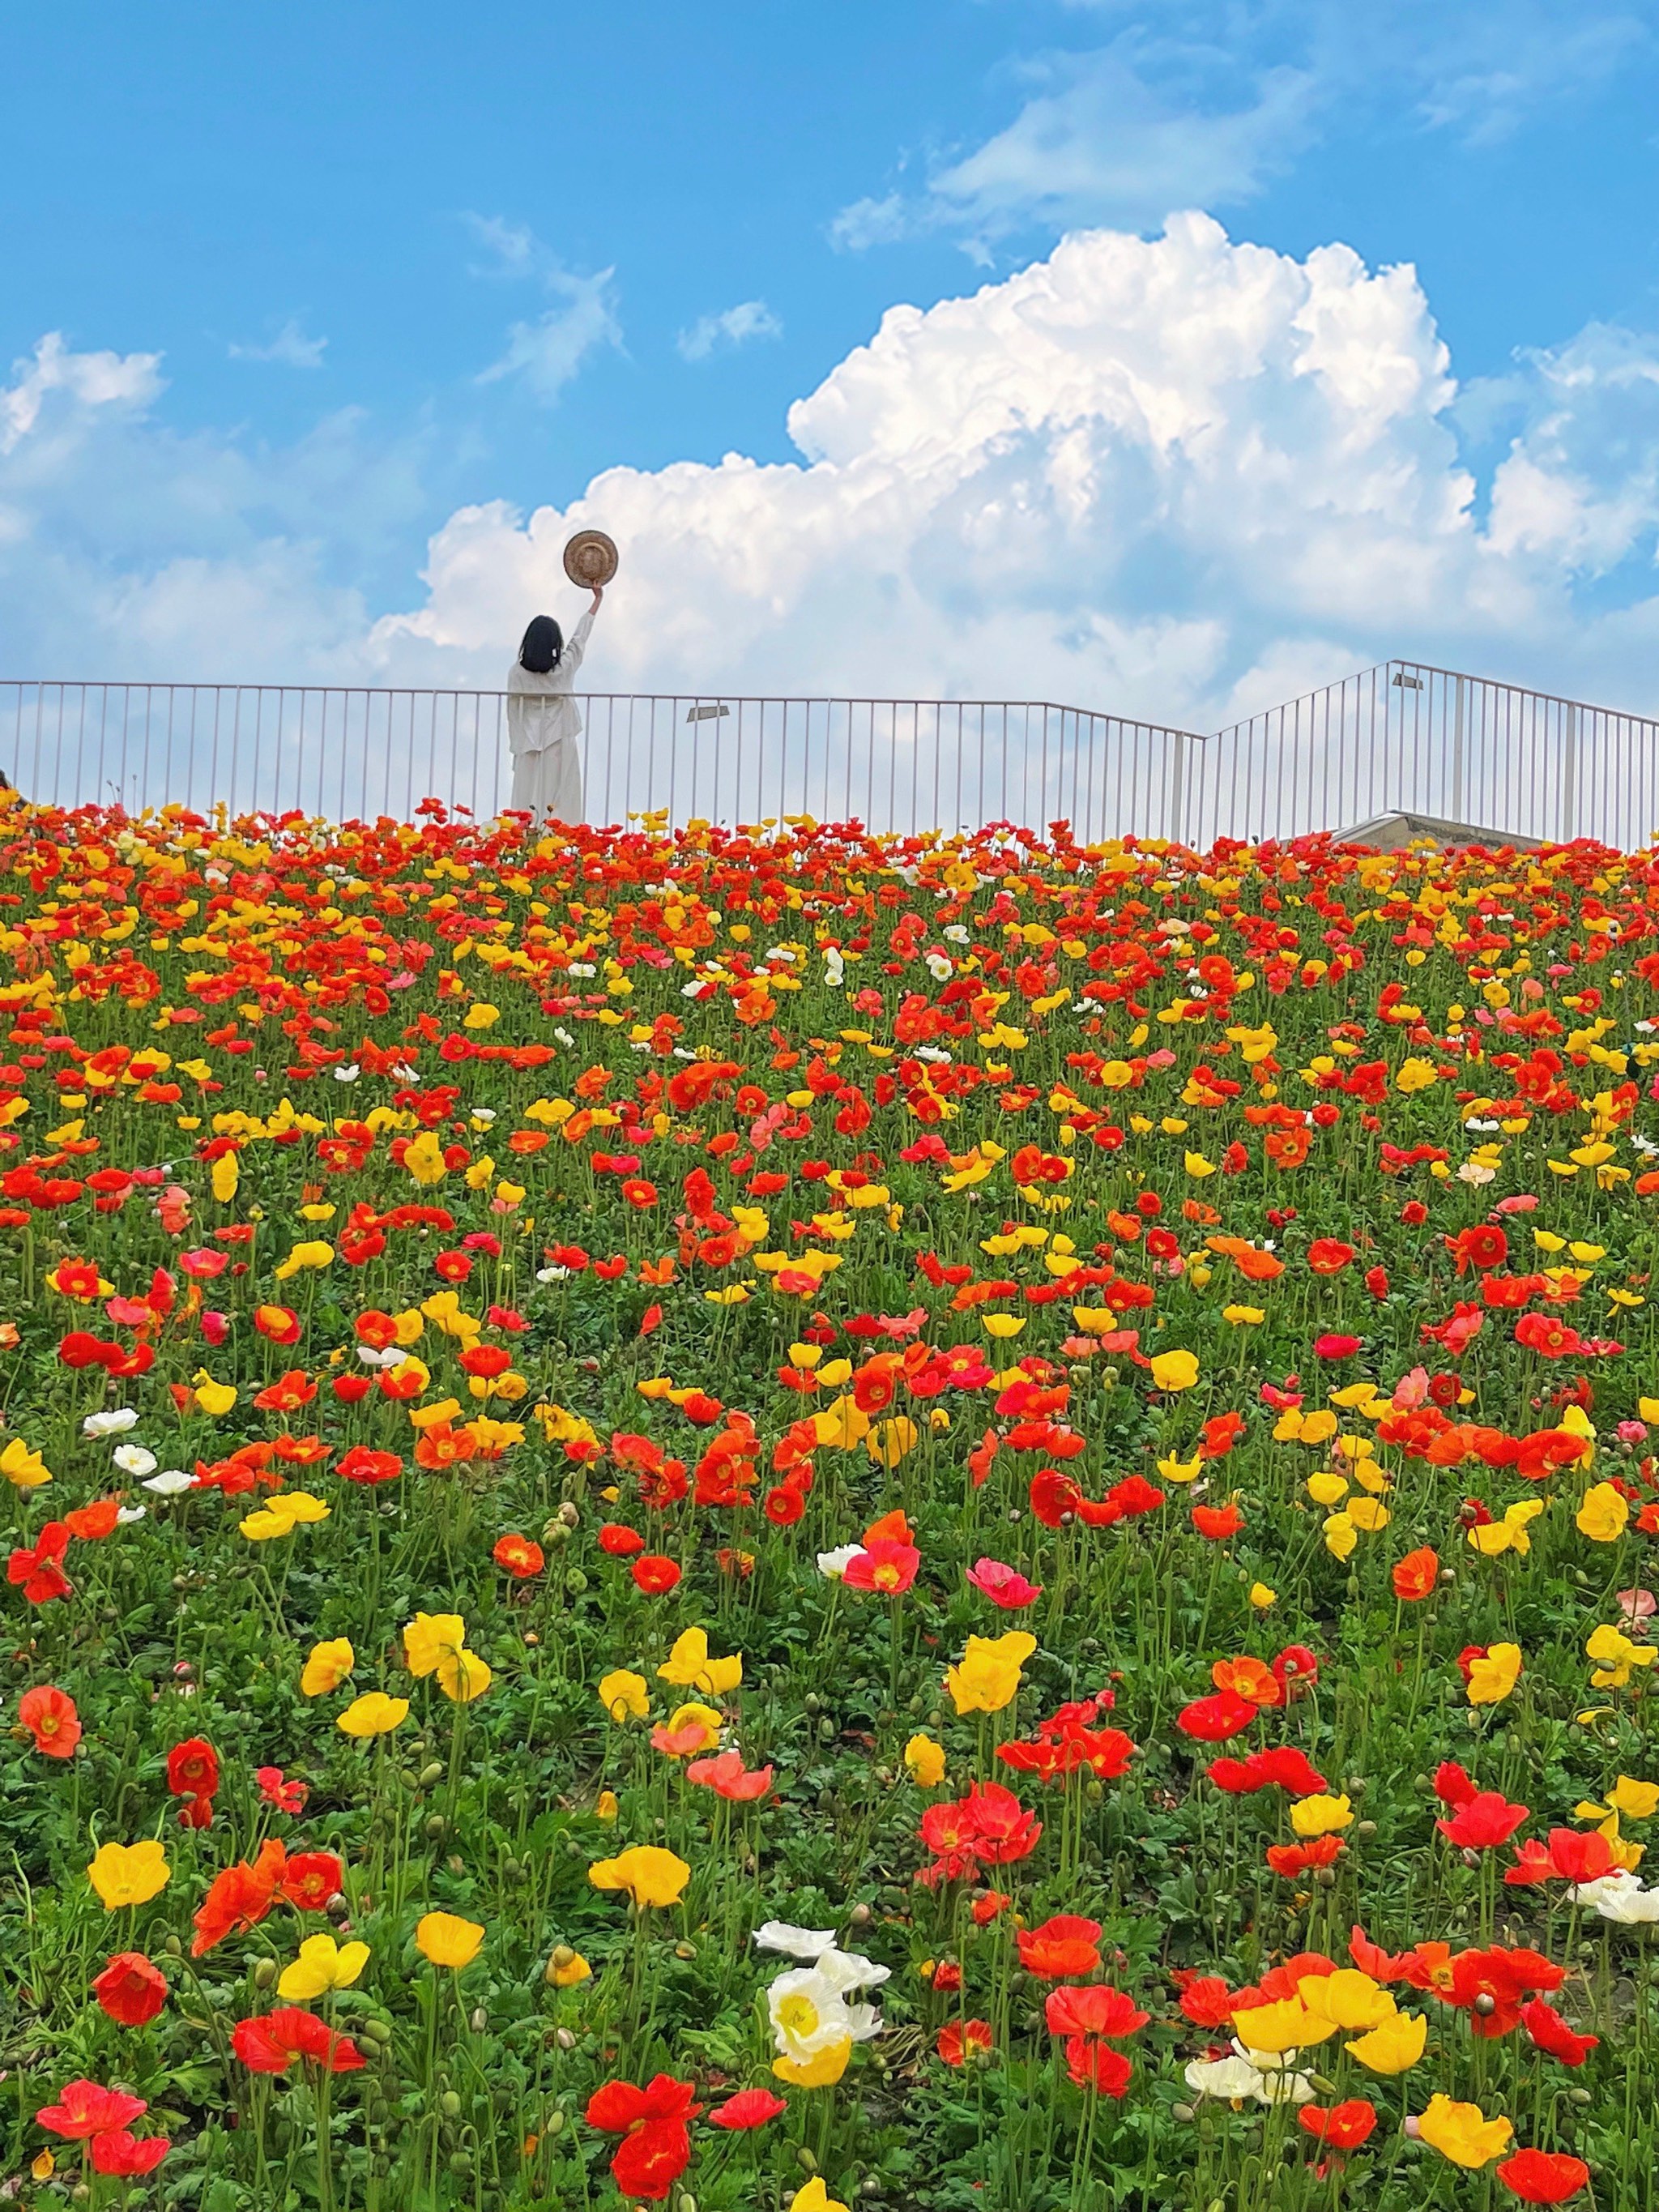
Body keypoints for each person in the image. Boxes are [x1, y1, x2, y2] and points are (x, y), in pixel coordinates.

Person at [506, 583, 603, 824]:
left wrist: (516, 747)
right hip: (560, 739)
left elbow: (513, 711)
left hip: (528, 742)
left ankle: (526, 839)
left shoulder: (517, 673)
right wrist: (597, 600)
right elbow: (580, 639)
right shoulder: (564, 669)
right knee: (561, 795)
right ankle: (562, 837)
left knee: (526, 796)